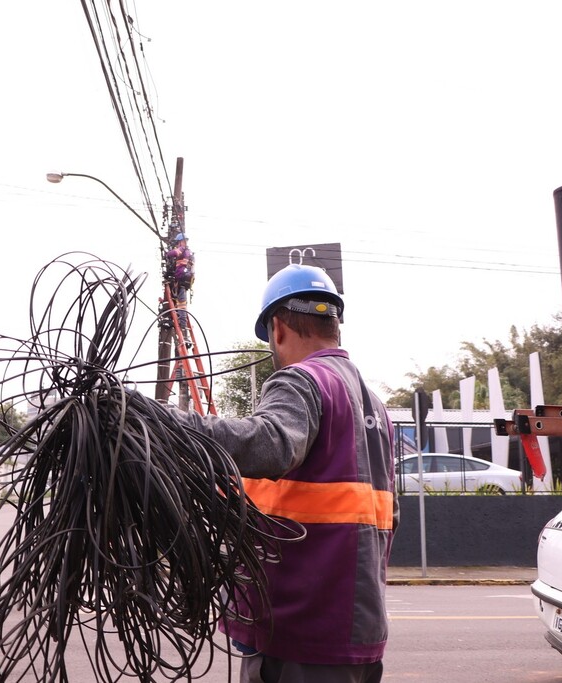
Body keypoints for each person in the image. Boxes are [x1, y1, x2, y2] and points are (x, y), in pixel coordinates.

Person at [171, 263, 397, 683]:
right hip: (358, 632)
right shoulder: (374, 406)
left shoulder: (303, 380)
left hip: (299, 634)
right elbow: (386, 516)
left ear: (277, 328)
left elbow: (270, 443)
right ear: (334, 323)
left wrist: (166, 423)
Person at [165, 232, 194, 303]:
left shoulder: (182, 249)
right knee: (180, 297)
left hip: (181, 277)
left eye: (178, 243)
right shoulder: (189, 252)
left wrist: (167, 254)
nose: (177, 245)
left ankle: (182, 314)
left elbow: (173, 253)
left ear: (182, 242)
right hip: (186, 278)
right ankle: (180, 312)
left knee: (181, 301)